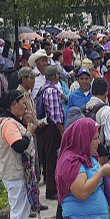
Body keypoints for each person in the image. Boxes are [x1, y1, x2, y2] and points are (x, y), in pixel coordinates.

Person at [0, 90, 39, 219]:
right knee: (18, 212)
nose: (25, 106)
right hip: (14, 174)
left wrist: (27, 123)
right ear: (13, 104)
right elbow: (19, 146)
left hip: (20, 173)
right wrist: (28, 131)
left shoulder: (14, 122)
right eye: (22, 103)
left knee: (22, 210)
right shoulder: (8, 124)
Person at [36, 65, 65, 200]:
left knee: (49, 157)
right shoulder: (51, 91)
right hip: (53, 127)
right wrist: (61, 130)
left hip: (47, 127)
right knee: (52, 158)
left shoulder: (43, 88)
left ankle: (50, 185)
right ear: (55, 76)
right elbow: (55, 115)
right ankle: (52, 189)